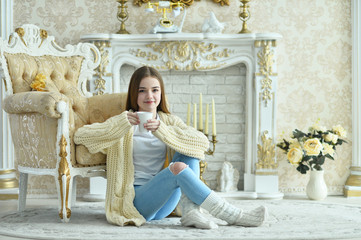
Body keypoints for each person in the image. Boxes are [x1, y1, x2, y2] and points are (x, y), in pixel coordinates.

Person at [74, 66, 267, 229]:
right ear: (134, 94)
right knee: (177, 168)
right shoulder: (123, 122)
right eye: (142, 90)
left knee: (188, 149)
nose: (149, 96)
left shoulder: (167, 121)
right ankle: (232, 214)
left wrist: (164, 132)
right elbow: (81, 136)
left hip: (165, 202)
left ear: (161, 93)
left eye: (155, 90)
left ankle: (191, 212)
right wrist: (120, 126)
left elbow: (202, 143)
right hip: (134, 202)